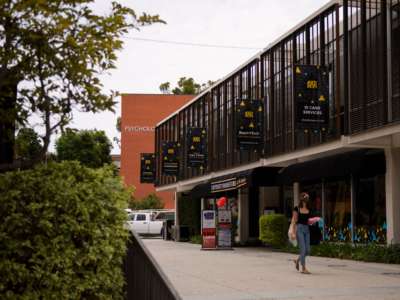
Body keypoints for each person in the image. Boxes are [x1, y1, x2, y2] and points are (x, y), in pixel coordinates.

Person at [292, 192, 312, 274]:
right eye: (306, 198)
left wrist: (313, 221)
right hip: (299, 229)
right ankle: (303, 268)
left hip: (307, 229)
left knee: (307, 251)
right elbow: (294, 221)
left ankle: (297, 260)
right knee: (303, 250)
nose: (307, 199)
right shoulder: (296, 208)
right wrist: (293, 232)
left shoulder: (309, 208)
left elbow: (309, 220)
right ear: (302, 199)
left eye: (307, 198)